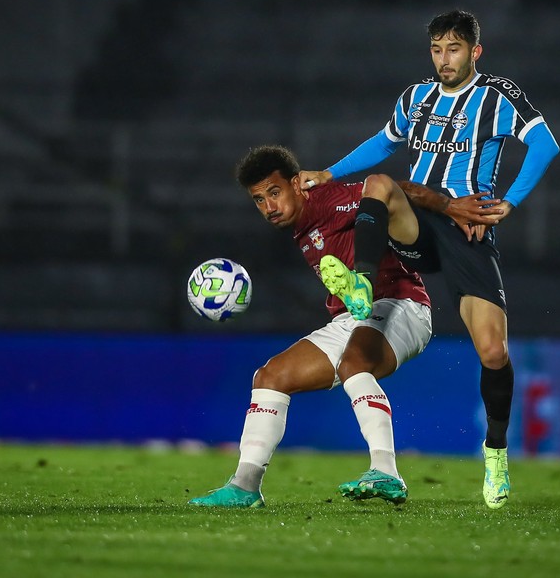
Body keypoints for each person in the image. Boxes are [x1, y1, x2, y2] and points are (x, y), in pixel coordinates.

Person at [300, 9, 560, 509]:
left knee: (493, 352)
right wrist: (329, 173)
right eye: (437, 49)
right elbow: (384, 141)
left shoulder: (496, 97)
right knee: (382, 185)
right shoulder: (414, 98)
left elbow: (545, 144)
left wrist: (509, 201)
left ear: (475, 52)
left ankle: (497, 452)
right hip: (416, 220)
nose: (444, 59)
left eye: (454, 49)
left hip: (466, 231)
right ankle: (361, 281)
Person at [188, 145, 500, 508]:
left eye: (274, 193)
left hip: (402, 304)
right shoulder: (301, 225)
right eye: (259, 200)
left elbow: (389, 189)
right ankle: (244, 486)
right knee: (270, 377)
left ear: (296, 184)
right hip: (351, 317)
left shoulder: (328, 199)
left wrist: (449, 206)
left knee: (354, 363)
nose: (269, 207)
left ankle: (386, 471)